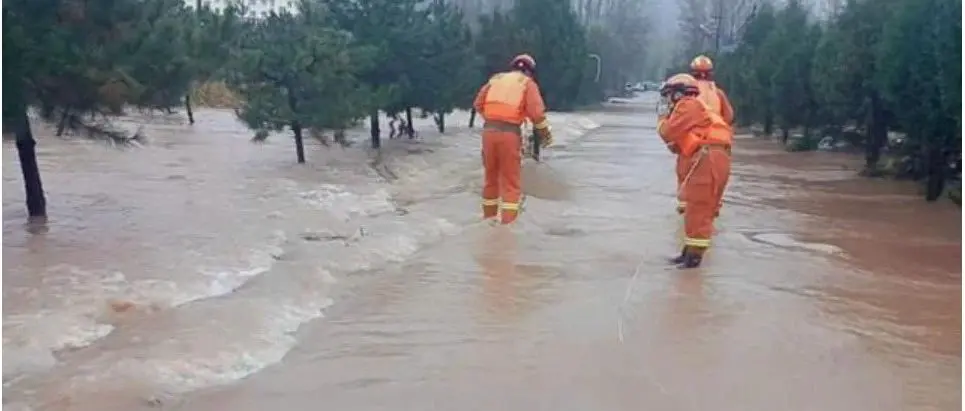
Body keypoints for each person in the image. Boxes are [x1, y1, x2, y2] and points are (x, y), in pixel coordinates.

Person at [657, 73, 734, 268]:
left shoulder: (687, 105)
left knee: (698, 208)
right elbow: (729, 117)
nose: (667, 101)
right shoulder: (705, 102)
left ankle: (693, 259)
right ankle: (689, 251)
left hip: (706, 158)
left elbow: (668, 132)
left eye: (669, 95)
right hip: (712, 156)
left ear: (679, 93)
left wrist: (661, 119)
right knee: (699, 206)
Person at [473, 54, 553, 224]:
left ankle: (489, 220)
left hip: (488, 133)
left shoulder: (496, 79)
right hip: (509, 135)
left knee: (490, 179)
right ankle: (507, 227)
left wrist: (494, 118)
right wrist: (545, 135)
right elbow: (537, 114)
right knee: (510, 183)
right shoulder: (527, 84)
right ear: (530, 72)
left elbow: (478, 104)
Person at [681, 55, 735, 217]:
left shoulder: (687, 93)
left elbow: (677, 122)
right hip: (720, 145)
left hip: (694, 145)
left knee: (689, 195)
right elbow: (729, 116)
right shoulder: (718, 93)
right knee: (714, 190)